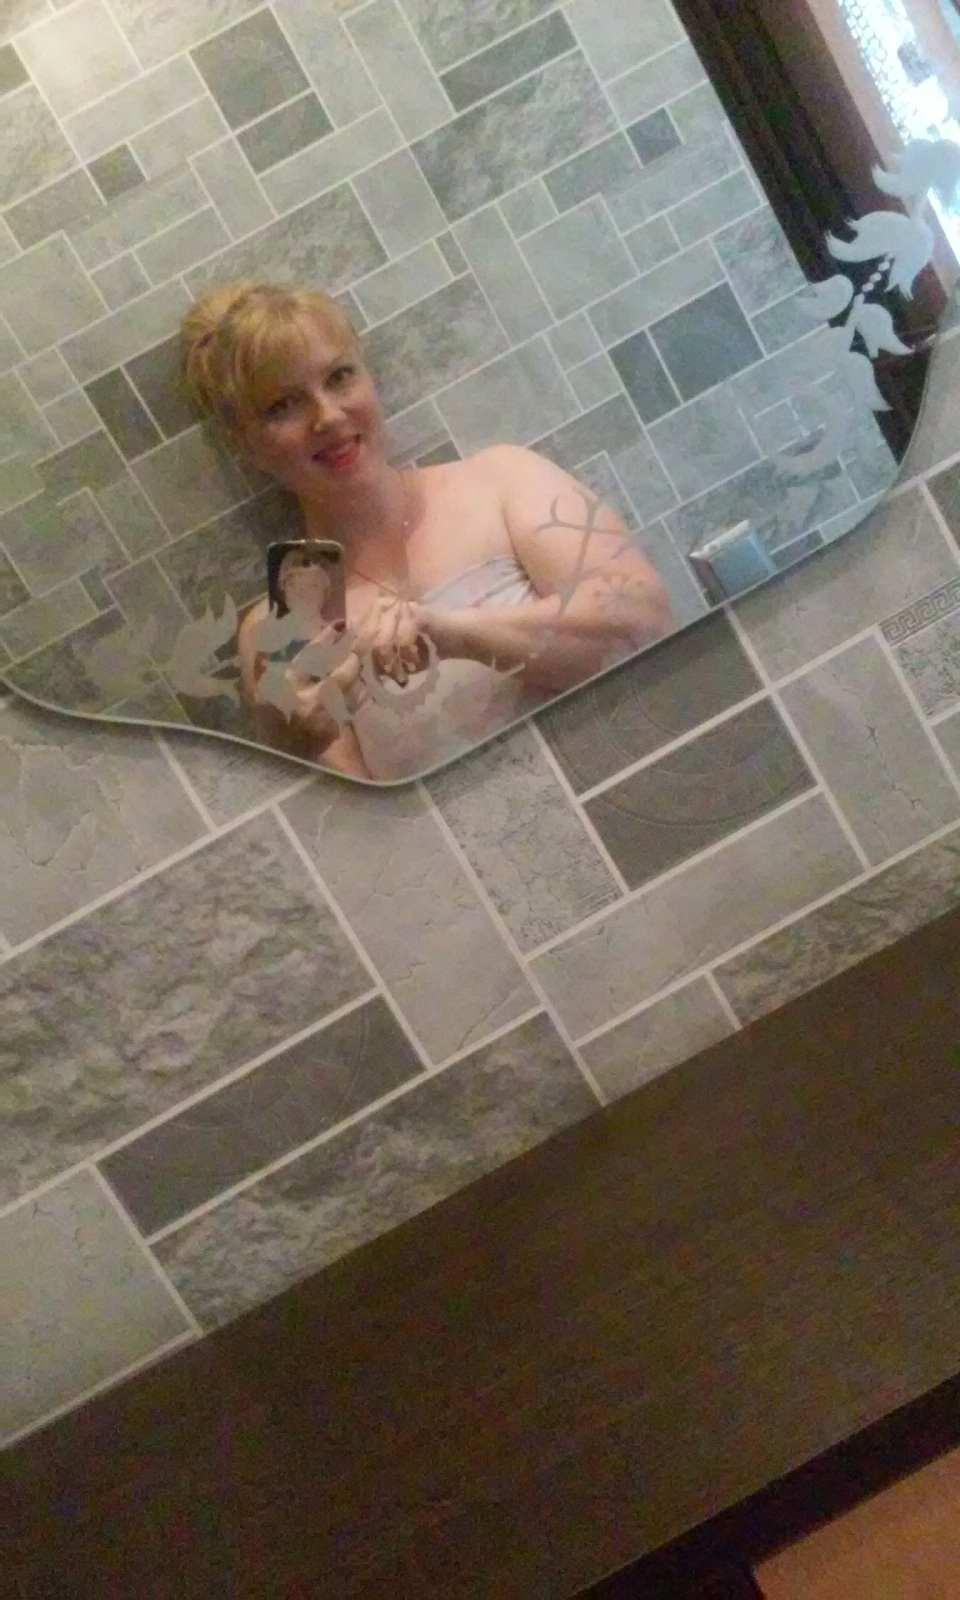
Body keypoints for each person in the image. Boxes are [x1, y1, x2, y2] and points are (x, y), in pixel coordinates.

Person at [180, 282, 672, 780]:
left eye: (340, 377)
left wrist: (457, 634)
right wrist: (298, 746)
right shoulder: (282, 626)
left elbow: (645, 617)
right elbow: (350, 820)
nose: (327, 416)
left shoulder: (500, 483)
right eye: (282, 405)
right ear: (245, 444)